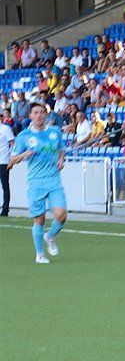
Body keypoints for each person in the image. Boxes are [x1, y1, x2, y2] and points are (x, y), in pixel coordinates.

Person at [8, 103, 67, 263]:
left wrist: (61, 160)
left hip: (54, 179)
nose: (39, 115)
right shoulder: (24, 136)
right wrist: (24, 155)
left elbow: (61, 149)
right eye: (36, 112)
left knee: (61, 215)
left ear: (46, 115)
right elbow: (10, 161)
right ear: (30, 116)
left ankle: (50, 236)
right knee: (39, 219)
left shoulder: (55, 132)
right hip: (35, 182)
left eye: (42, 112)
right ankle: (39, 254)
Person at [0, 120, 14, 216]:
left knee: (5, 185)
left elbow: (12, 143)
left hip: (3, 160)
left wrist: (11, 158)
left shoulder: (5, 129)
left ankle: (5, 209)